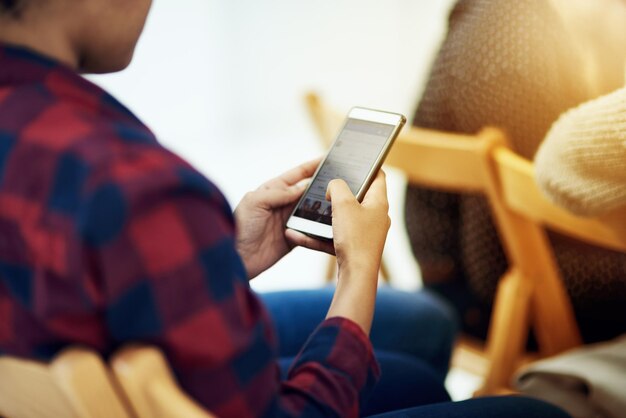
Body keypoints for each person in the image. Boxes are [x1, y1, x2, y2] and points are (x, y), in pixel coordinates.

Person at [0, 0, 570, 417]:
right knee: (536, 414)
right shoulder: (135, 181)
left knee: (417, 335)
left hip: (76, 372)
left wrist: (225, 258)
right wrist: (359, 273)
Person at [404, 0, 626, 343]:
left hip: (470, 269)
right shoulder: (510, 42)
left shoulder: (505, 15)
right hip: (488, 297)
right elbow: (500, 260)